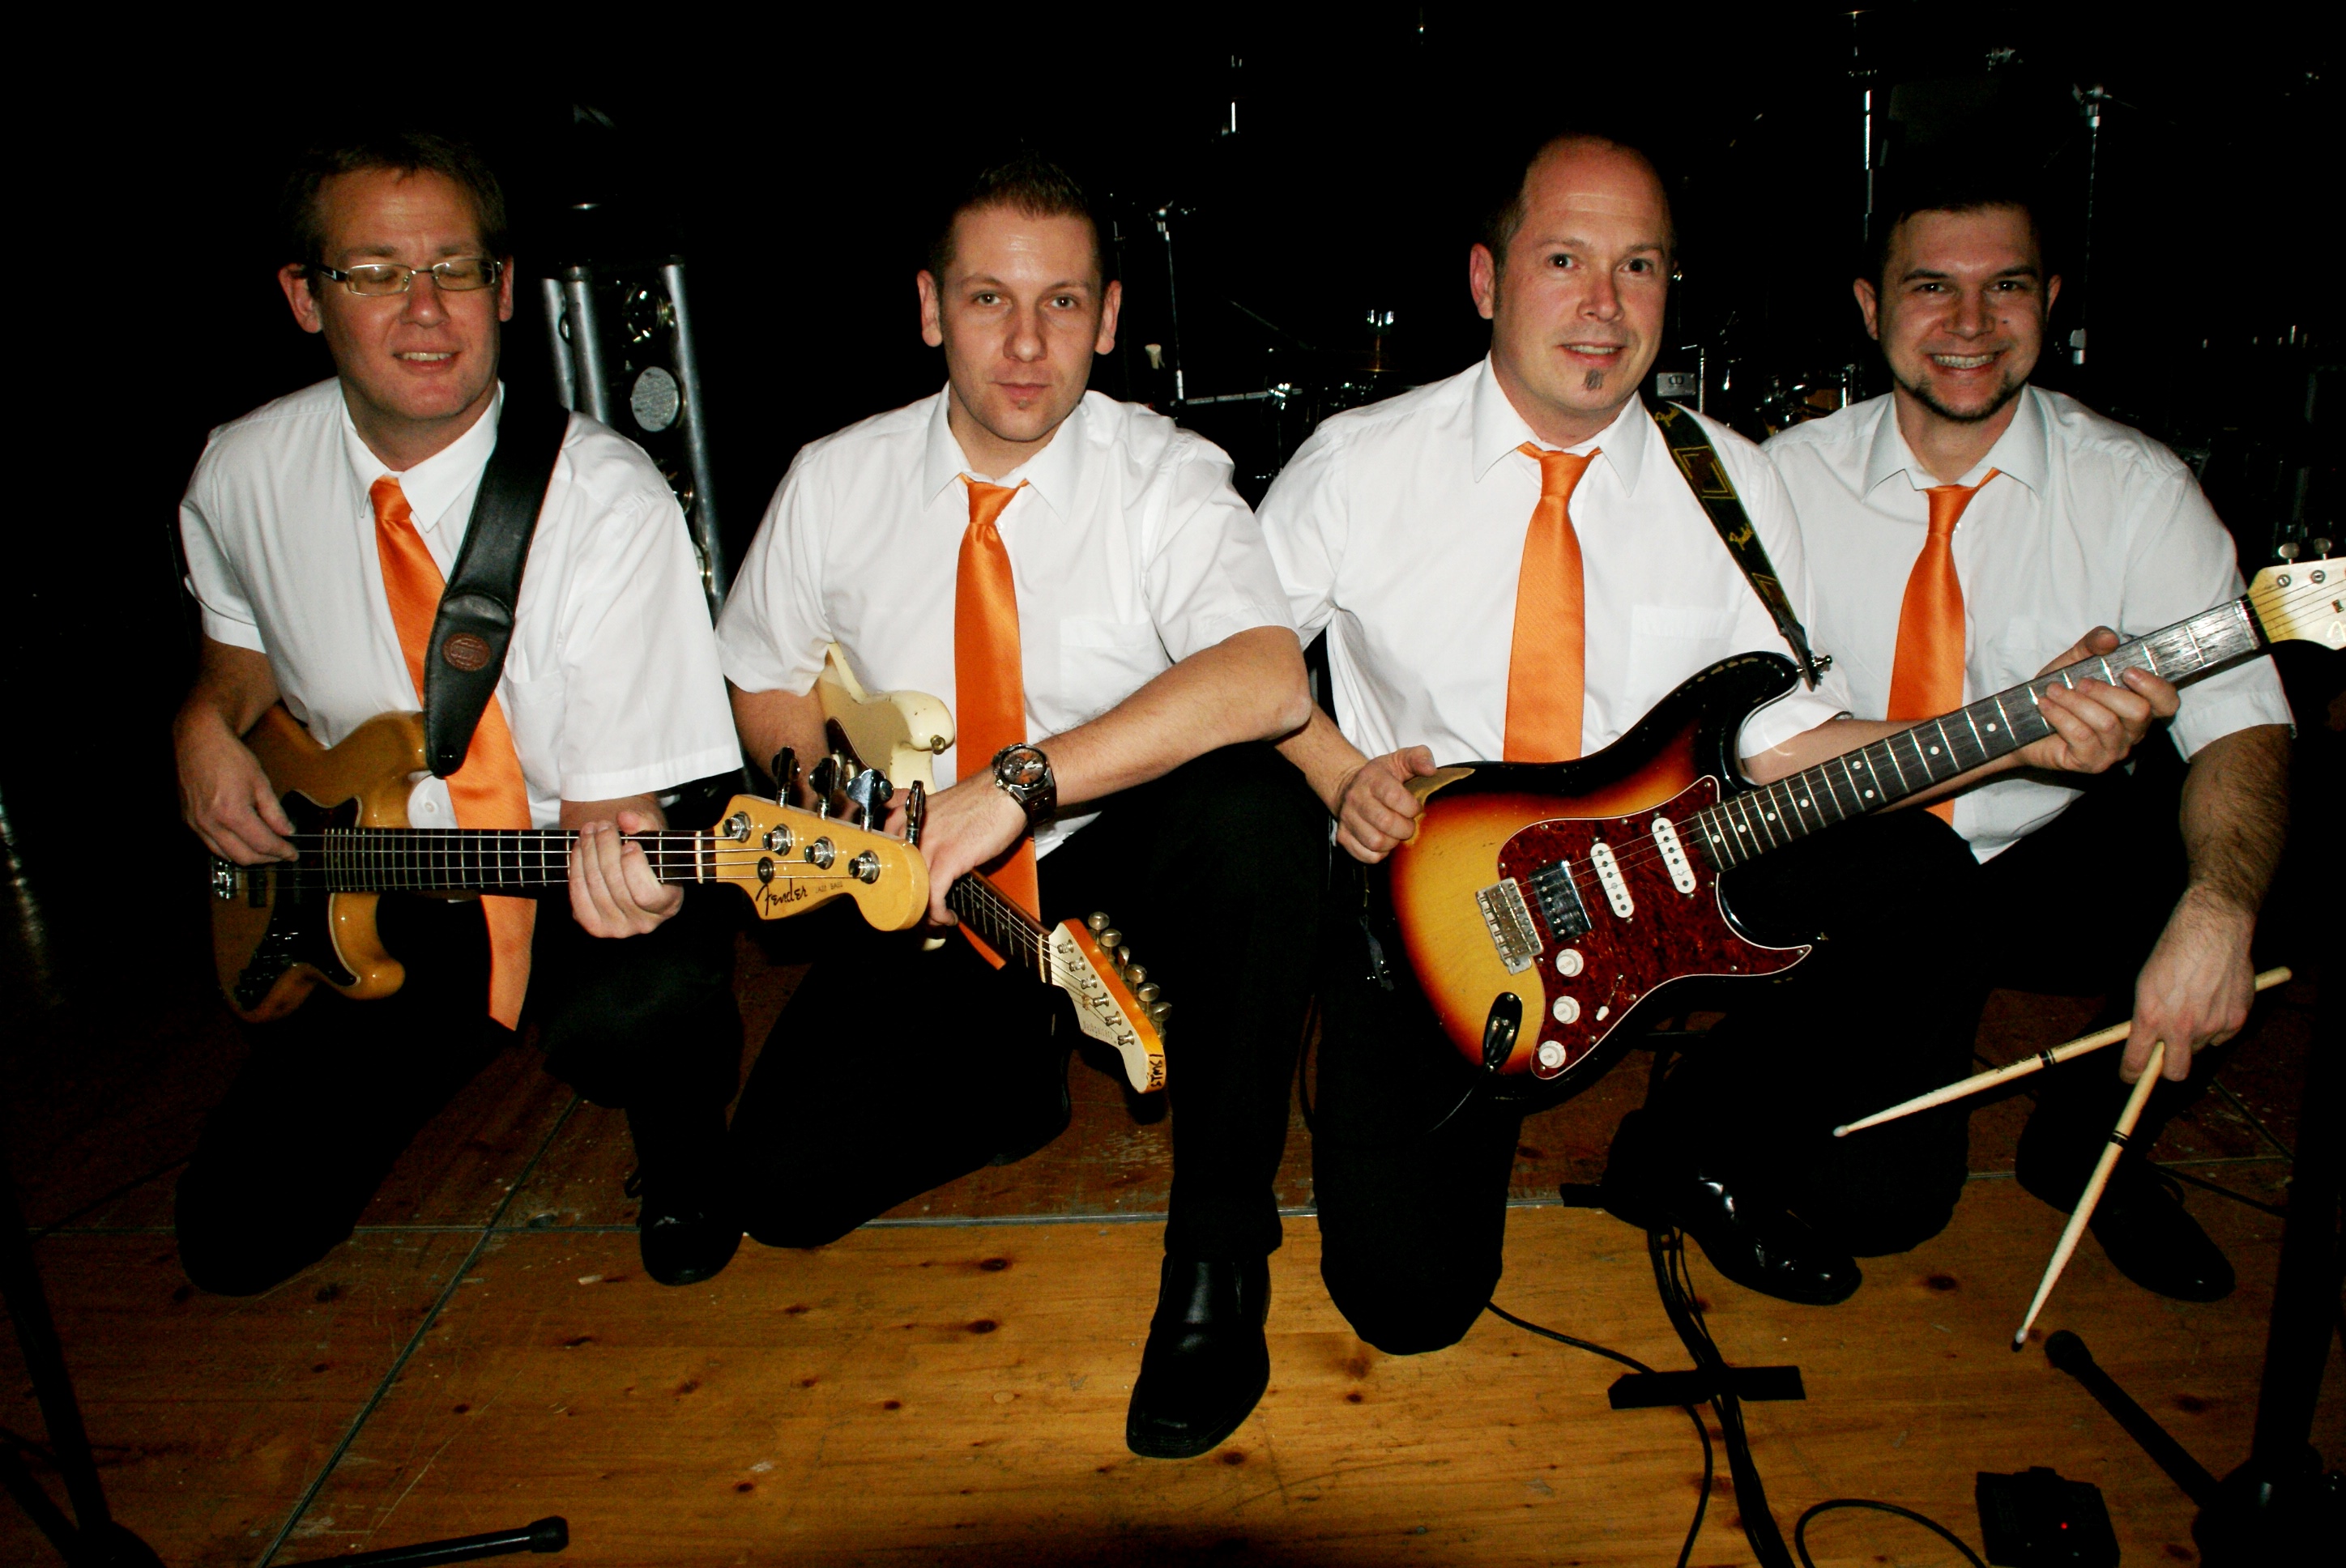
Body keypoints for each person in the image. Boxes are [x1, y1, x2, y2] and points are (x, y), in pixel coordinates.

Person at [1258, 131, 2172, 1353]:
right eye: (1565, 260)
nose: (1603, 304)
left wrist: (2023, 741)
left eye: (1638, 266)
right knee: (1408, 1307)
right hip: (1443, 919)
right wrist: (1339, 775)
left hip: (1667, 885)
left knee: (1921, 879)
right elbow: (1233, 664)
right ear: (1486, 280)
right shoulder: (1359, 463)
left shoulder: (1729, 481)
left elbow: (1786, 740)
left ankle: (1697, 1144)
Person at [715, 154, 1322, 1460]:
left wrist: (1019, 783)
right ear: (929, 307)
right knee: (778, 1188)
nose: (1029, 343)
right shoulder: (834, 479)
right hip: (931, 888)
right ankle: (1014, 1078)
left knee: (1259, 818)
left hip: (1116, 854)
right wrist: (824, 793)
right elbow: (761, 671)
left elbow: (1270, 676)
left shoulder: (1164, 476)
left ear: (1111, 319)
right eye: (990, 299)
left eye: (1063, 303)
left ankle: (1220, 1250)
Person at [174, 132, 745, 1297]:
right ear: (304, 297)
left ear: (505, 289)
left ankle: (682, 1140)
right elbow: (238, 643)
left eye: (456, 269)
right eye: (374, 273)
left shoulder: (605, 502)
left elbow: (612, 818)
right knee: (233, 1240)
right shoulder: (239, 474)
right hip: (373, 890)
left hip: (564, 852)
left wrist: (628, 882)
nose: (426, 309)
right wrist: (202, 725)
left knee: (632, 1011)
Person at [1735, 173, 2294, 1301]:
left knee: (2272, 850)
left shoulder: (2137, 488)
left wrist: (2220, 911)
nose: (1972, 323)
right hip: (1853, 856)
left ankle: (2090, 1141)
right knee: (1877, 1209)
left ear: (2052, 302)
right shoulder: (1779, 481)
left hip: (2036, 854)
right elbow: (1741, 734)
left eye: (2008, 288)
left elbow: (2243, 719)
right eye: (1931, 287)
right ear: (1870, 307)